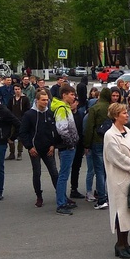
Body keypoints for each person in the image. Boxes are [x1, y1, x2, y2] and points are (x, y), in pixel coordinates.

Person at [104, 102, 130, 259]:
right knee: (120, 212)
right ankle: (119, 244)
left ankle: (126, 243)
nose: (127, 115)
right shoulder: (110, 135)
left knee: (129, 212)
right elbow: (116, 157)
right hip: (118, 178)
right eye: (123, 113)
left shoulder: (128, 131)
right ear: (116, 116)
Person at [17, 89, 58, 208]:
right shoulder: (29, 114)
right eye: (43, 100)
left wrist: (53, 145)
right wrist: (29, 147)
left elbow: (54, 131)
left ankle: (61, 194)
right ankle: (39, 196)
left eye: (47, 100)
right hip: (35, 149)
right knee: (37, 172)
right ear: (37, 100)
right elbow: (23, 132)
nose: (45, 102)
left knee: (54, 172)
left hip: (48, 148)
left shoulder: (49, 113)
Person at [50, 85, 80, 215]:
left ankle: (63, 199)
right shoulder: (62, 108)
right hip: (66, 146)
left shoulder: (65, 107)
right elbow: (62, 129)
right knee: (63, 175)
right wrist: (71, 143)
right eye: (71, 94)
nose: (74, 97)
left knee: (64, 174)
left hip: (67, 145)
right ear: (64, 95)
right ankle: (61, 203)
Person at [84, 88, 113, 211]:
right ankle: (109, 195)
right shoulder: (112, 108)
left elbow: (89, 127)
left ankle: (101, 198)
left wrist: (87, 144)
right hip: (110, 141)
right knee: (108, 170)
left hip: (97, 141)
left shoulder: (94, 108)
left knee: (99, 170)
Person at [7, 84, 30, 160]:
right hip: (12, 120)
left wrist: (24, 119)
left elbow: (27, 109)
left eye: (18, 89)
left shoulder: (25, 99)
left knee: (20, 137)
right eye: (15, 89)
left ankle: (19, 153)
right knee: (11, 136)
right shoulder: (11, 99)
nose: (17, 91)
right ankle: (12, 153)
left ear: (21, 90)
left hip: (22, 120)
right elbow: (8, 109)